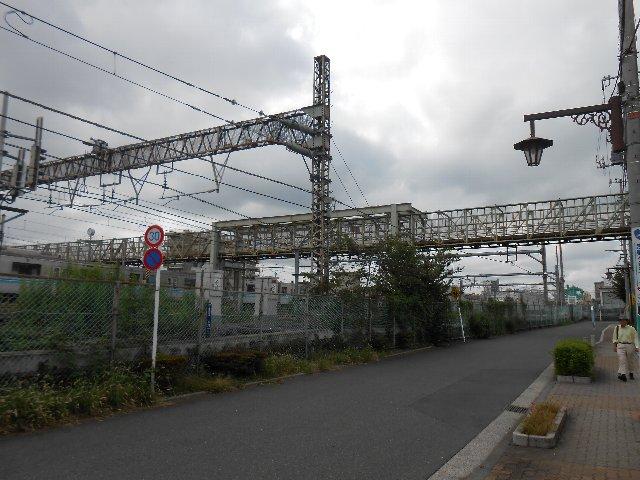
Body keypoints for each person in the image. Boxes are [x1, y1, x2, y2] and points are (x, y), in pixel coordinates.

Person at [613, 314, 639, 382]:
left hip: (629, 345)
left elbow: (635, 338)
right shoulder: (617, 328)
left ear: (627, 321)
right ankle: (623, 374)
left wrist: (637, 346)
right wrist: (615, 346)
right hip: (620, 345)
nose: (622, 322)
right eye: (620, 320)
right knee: (622, 360)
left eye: (623, 320)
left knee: (630, 361)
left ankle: (631, 372)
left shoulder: (631, 328)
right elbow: (614, 338)